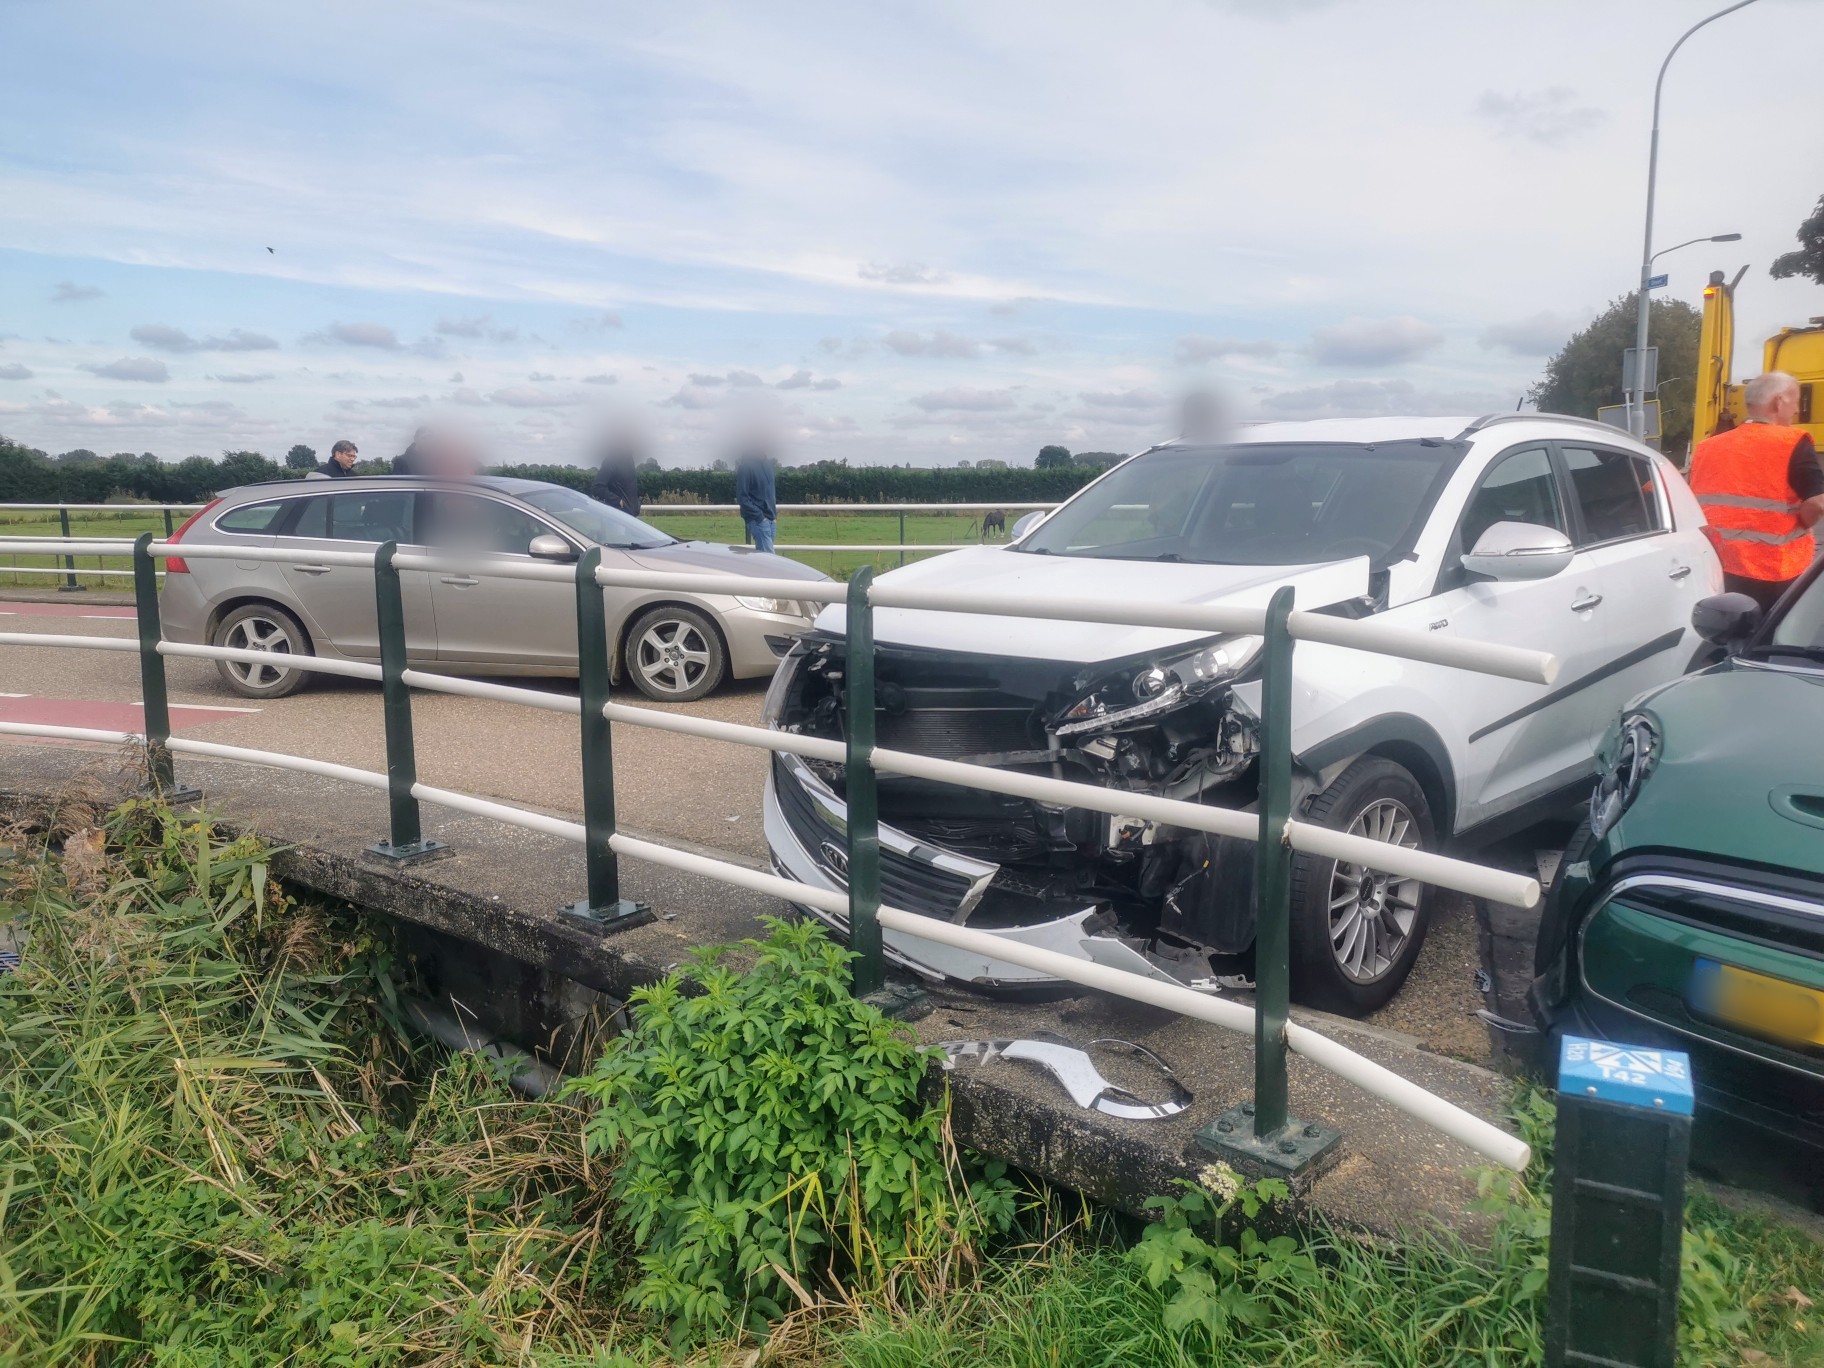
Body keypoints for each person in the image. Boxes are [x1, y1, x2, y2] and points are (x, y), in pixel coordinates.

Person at [1688, 371, 1824, 614]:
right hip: (1775, 572)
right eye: (1795, 403)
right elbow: (1818, 504)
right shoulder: (1791, 441)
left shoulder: (1707, 447)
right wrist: (1801, 522)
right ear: (1778, 401)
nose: (1795, 411)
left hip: (1717, 568)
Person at [735, 447, 777, 553]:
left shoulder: (768, 464)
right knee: (769, 560)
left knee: (766, 559)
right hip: (758, 520)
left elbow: (770, 493)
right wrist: (759, 517)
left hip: (770, 519)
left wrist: (774, 516)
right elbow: (742, 497)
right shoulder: (745, 467)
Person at [589, 441, 642, 516]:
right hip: (615, 516)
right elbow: (597, 487)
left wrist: (636, 503)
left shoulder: (629, 459)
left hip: (631, 515)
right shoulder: (611, 460)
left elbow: (630, 487)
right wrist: (617, 501)